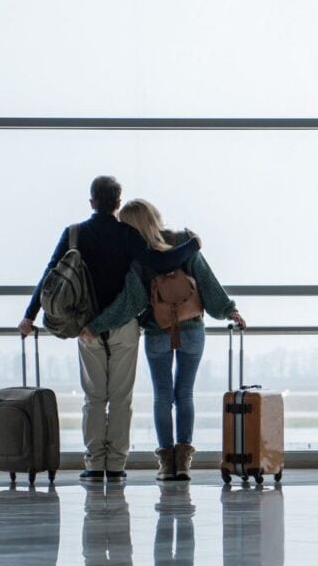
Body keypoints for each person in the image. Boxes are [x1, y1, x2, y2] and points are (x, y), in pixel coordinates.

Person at [18, 176, 199, 484]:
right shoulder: (127, 234)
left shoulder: (74, 234)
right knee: (121, 399)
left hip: (86, 327)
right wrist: (192, 245)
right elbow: (160, 260)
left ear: (92, 202)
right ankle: (115, 465)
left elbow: (50, 275)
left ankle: (94, 464)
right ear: (118, 203)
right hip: (124, 327)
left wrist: (29, 316)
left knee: (93, 399)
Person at [82, 199, 245, 482]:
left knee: (163, 396)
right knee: (185, 394)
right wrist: (229, 310)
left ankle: (166, 463)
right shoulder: (183, 243)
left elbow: (130, 302)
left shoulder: (139, 258)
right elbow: (207, 283)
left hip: (158, 333)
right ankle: (184, 462)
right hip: (192, 330)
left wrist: (96, 326)